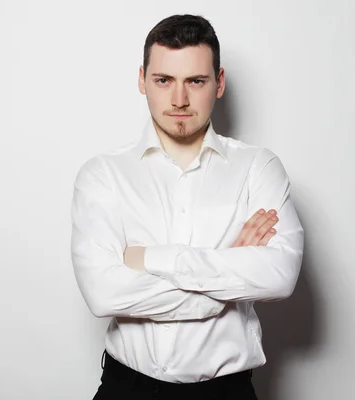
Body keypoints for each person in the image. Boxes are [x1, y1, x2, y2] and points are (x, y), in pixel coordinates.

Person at [70, 14, 304, 400]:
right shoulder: (103, 175)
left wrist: (151, 259)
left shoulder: (258, 168)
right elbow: (103, 293)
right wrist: (226, 281)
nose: (179, 99)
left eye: (195, 81)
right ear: (142, 80)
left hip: (226, 393)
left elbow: (279, 275)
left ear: (220, 82)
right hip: (127, 389)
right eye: (164, 80)